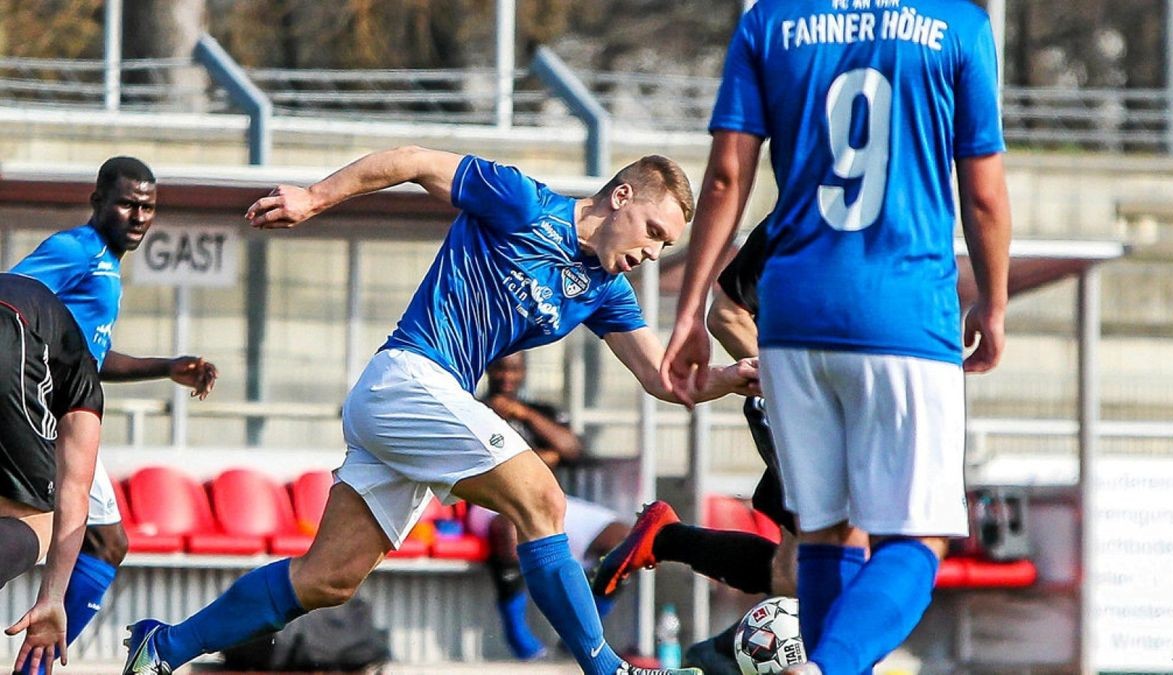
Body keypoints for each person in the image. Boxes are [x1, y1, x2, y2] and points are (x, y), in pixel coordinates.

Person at [121, 146, 758, 675]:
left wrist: (730, 377)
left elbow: (660, 376)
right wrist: (314, 198)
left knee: (327, 580)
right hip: (410, 379)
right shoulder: (524, 202)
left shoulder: (602, 289)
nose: (652, 251)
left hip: (419, 406)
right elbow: (413, 161)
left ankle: (164, 646)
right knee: (543, 501)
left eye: (665, 244)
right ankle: (606, 668)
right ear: (621, 196)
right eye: (653, 231)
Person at [662, 3, 1012, 674]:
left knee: (822, 533)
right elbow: (986, 195)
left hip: (792, 317)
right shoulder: (956, 25)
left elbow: (727, 177)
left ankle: (827, 666)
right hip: (903, 312)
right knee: (917, 542)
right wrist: (993, 303)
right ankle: (826, 667)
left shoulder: (770, 22)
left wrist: (687, 311)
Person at [595, 223, 868, 675]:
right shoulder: (799, 219)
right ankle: (719, 656)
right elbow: (727, 315)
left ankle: (708, 640)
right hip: (810, 420)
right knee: (827, 565)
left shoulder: (899, 223)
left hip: (852, 420)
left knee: (800, 566)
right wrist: (799, 396)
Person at [7, 156, 219, 674]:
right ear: (98, 200)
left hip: (65, 409)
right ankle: (35, 669)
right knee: (98, 540)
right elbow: (12, 302)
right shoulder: (75, 249)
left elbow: (92, 360)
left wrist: (166, 367)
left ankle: (35, 665)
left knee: (101, 540)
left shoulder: (104, 265)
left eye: (148, 206)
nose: (139, 216)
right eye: (127, 203)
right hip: (44, 414)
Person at [471, 351, 631, 661]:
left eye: (515, 369)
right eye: (501, 368)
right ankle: (516, 633)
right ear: (489, 369)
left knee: (626, 540)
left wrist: (523, 414)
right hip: (488, 501)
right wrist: (542, 459)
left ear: (524, 371)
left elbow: (572, 450)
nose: (507, 376)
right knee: (510, 525)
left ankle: (584, 634)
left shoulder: (538, 411)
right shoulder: (473, 409)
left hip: (548, 499)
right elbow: (482, 466)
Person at [0, 273, 104, 675]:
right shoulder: (83, 383)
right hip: (11, 334)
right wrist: (52, 597)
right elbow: (74, 492)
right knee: (40, 519)